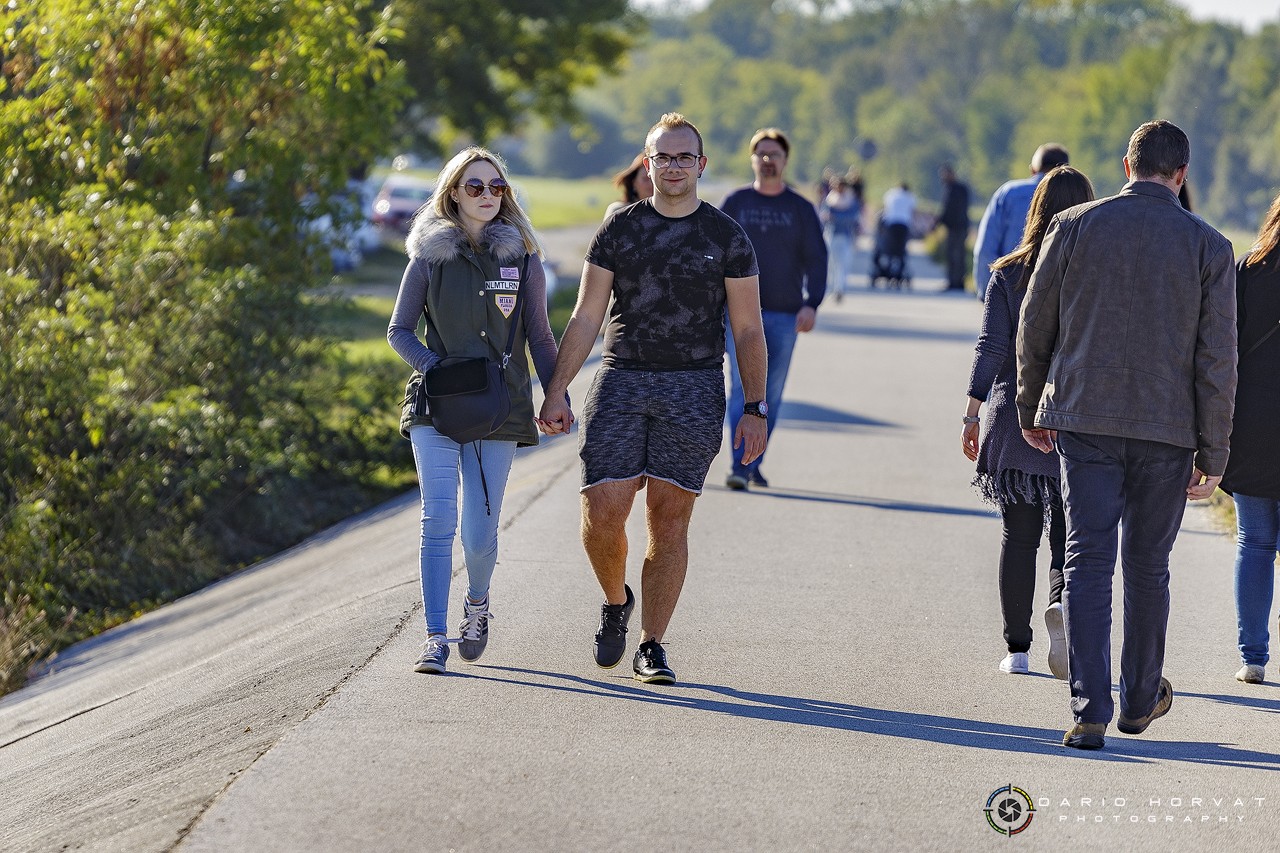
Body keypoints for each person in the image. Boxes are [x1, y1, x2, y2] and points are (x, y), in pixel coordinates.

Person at [1016, 120, 1237, 750]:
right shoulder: (1209, 246)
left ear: (1126, 164)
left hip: (1083, 417)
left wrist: (1032, 405)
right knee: (1148, 565)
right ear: (1182, 174)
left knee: (1087, 559)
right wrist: (1214, 450)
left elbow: (1036, 324)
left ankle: (1089, 707)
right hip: (1168, 430)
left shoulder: (1074, 226)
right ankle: (1140, 698)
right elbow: (1218, 358)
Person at [537, 113, 767, 685]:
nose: (673, 166)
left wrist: (755, 407)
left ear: (701, 164)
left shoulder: (727, 237)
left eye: (684, 157)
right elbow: (588, 313)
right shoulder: (618, 230)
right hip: (622, 379)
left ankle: (652, 644)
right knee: (604, 510)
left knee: (669, 519)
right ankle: (616, 600)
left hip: (693, 387)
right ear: (647, 162)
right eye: (662, 157)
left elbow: (747, 330)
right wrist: (558, 388)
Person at [388, 146, 559, 675]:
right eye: (475, 186)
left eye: (496, 187)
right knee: (438, 516)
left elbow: (540, 335)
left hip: (500, 407)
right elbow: (398, 331)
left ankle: (478, 604)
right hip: (436, 406)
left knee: (480, 534)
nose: (488, 195)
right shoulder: (428, 256)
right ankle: (434, 638)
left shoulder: (523, 260)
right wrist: (436, 368)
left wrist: (557, 395)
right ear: (453, 195)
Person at [962, 166, 1095, 680]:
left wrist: (972, 412)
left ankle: (1017, 648)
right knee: (1072, 533)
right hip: (1076, 415)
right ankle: (1062, 604)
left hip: (1014, 414)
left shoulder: (1009, 272)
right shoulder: (1095, 271)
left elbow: (991, 348)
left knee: (1018, 535)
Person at [719, 128, 826, 491]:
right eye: (761, 154)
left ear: (784, 160)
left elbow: (817, 258)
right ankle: (739, 464)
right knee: (741, 390)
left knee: (770, 394)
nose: (767, 160)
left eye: (774, 154)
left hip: (783, 315)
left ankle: (753, 461)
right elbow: (712, 253)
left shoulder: (800, 209)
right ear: (752, 159)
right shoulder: (735, 204)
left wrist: (812, 303)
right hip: (737, 314)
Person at [1219, 190, 1280, 685]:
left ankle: (1253, 657)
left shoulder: (1247, 270)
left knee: (1254, 543)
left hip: (1253, 424)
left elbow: (1224, 348)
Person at [973, 143, 1070, 301]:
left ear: (1033, 169)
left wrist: (987, 294)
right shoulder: (1074, 198)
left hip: (1011, 289)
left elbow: (986, 248)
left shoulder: (1009, 193)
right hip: (1055, 298)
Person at [822, 175, 862, 302]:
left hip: (845, 236)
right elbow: (825, 216)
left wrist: (837, 217)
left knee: (843, 263)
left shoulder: (851, 201)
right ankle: (832, 288)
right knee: (831, 263)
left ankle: (839, 288)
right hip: (832, 234)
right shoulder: (830, 199)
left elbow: (853, 218)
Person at [934, 164, 970, 292]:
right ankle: (956, 281)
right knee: (955, 255)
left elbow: (949, 209)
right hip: (958, 226)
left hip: (957, 226)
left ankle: (956, 282)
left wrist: (938, 222)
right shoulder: (958, 188)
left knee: (956, 254)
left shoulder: (955, 189)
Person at [876, 181, 916, 287]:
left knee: (890, 248)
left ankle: (888, 269)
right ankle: (899, 269)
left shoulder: (891, 194)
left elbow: (886, 209)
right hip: (904, 225)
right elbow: (912, 212)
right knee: (901, 249)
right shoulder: (910, 196)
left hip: (891, 224)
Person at [604, 152, 654, 218]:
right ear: (633, 182)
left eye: (654, 179)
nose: (651, 184)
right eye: (645, 179)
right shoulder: (620, 211)